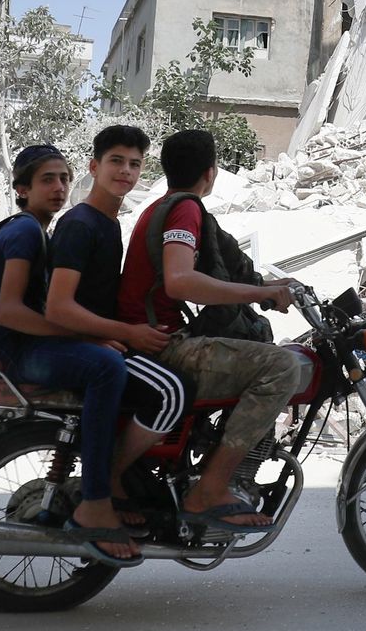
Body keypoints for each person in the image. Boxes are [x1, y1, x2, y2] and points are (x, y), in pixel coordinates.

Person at [0, 143, 180, 564]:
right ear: (21, 188)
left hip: (28, 343)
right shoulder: (25, 232)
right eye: (47, 180)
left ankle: (122, 484)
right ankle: (97, 496)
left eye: (64, 179)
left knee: (110, 360)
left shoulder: (47, 229)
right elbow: (11, 311)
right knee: (108, 367)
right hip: (12, 350)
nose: (59, 187)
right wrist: (92, 336)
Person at [121, 128, 303, 533]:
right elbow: (180, 280)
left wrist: (265, 288)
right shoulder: (185, 209)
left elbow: (225, 264)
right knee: (282, 368)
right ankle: (211, 488)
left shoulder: (160, 206)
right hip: (161, 345)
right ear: (211, 173)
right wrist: (260, 292)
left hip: (153, 338)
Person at [39, 126, 184, 539]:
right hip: (71, 346)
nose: (126, 171)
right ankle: (103, 485)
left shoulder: (109, 223)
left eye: (135, 164)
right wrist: (126, 333)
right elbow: (59, 305)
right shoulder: (80, 224)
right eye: (116, 161)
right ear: (94, 166)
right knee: (171, 393)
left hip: (96, 339)